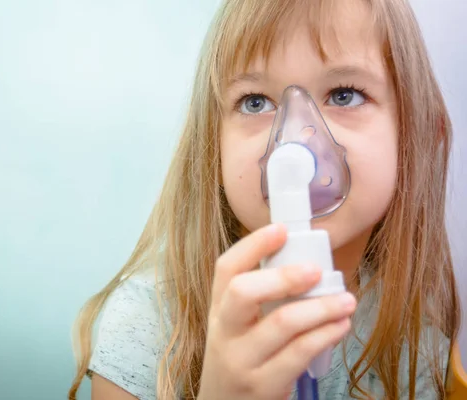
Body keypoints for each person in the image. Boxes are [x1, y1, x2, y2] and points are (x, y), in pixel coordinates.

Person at [69, 0, 462, 399]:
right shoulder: (151, 324)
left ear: (416, 137)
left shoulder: (415, 344)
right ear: (213, 146)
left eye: (344, 95)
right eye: (255, 101)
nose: (295, 142)